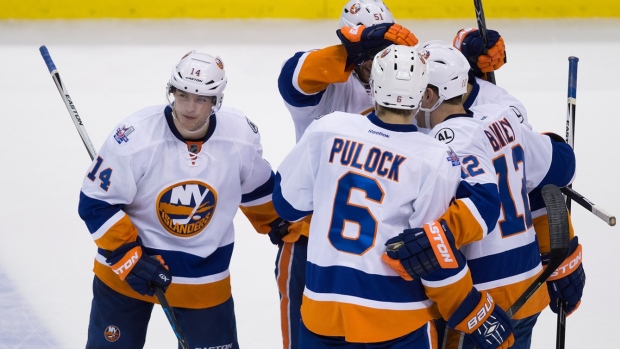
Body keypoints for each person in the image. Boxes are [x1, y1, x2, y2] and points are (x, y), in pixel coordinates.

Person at [273, 44, 514, 348]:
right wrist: (472, 310)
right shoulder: (436, 158)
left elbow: (285, 203)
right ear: (422, 93)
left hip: (323, 312)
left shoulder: (328, 129)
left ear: (373, 85)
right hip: (398, 319)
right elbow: (428, 253)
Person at [78, 50, 296, 348]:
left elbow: (258, 191)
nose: (190, 109)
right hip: (128, 274)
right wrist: (129, 258)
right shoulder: (135, 136)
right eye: (183, 96)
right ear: (172, 92)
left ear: (216, 101)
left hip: (203, 278)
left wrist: (284, 225)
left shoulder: (239, 135)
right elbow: (95, 202)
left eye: (202, 99)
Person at [403, 41, 582, 349]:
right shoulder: (502, 119)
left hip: (480, 302)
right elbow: (562, 167)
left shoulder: (437, 148)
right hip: (528, 286)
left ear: (430, 95)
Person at [273, 1, 417, 347]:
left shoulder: (405, 83)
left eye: (387, 50)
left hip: (381, 243)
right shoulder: (329, 87)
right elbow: (293, 74)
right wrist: (359, 47)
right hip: (313, 240)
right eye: (371, 52)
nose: (380, 60)